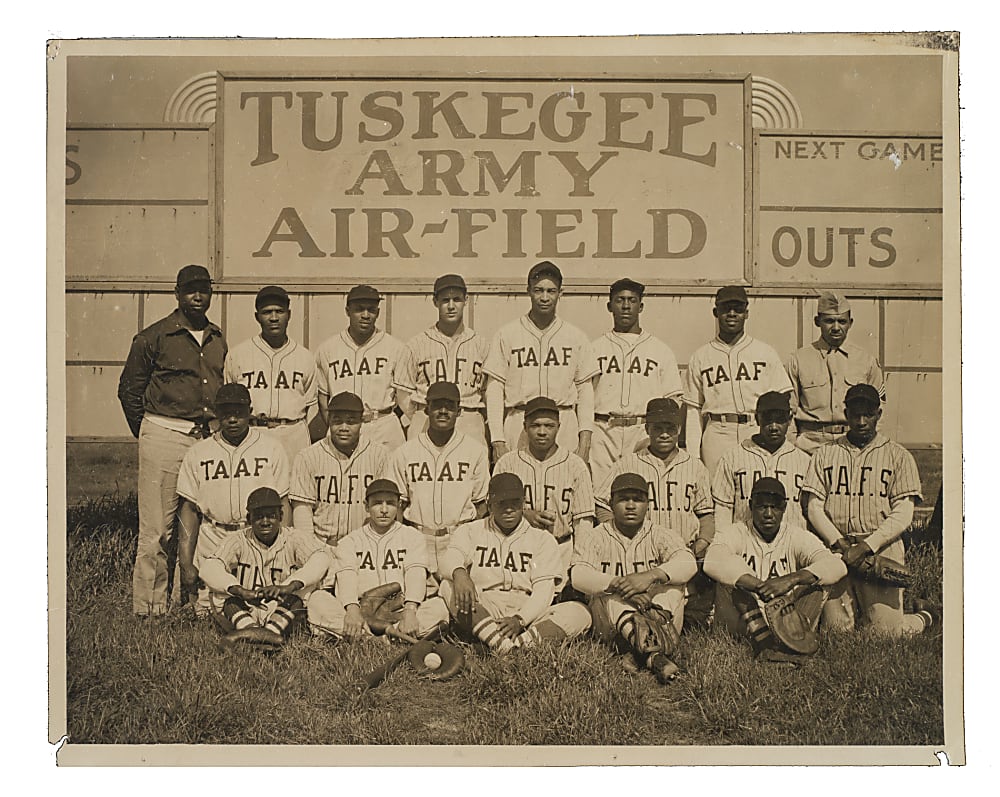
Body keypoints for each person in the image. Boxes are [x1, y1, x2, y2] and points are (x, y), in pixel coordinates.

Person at [117, 264, 227, 617]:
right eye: (191, 289)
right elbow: (129, 391)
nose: (198, 296)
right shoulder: (153, 337)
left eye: (204, 290)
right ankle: (150, 609)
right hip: (163, 432)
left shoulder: (216, 337)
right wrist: (150, 432)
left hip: (204, 437)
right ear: (177, 294)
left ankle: (192, 603)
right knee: (157, 529)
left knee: (198, 522)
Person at [801, 384, 937, 635]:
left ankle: (924, 615)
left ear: (878, 414)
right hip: (837, 550)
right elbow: (814, 507)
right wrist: (841, 544)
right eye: (855, 414)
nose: (861, 421)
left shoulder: (898, 455)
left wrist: (866, 547)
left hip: (880, 551)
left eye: (868, 414)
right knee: (835, 631)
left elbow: (903, 513)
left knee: (886, 633)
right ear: (846, 413)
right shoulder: (825, 454)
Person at [438, 473, 592, 652]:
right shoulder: (471, 530)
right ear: (489, 504)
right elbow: (450, 557)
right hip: (485, 606)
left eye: (514, 502)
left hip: (527, 607)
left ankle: (502, 644)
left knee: (580, 612)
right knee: (448, 585)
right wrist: (460, 573)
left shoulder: (542, 539)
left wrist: (520, 619)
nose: (509, 509)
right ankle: (509, 647)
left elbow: (544, 591)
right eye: (501, 503)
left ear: (523, 503)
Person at [595, 398, 716, 627]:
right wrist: (620, 539)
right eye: (657, 427)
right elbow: (602, 504)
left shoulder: (695, 465)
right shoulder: (628, 463)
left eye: (670, 428)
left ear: (679, 429)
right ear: (647, 429)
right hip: (640, 554)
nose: (664, 434)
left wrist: (700, 544)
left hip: (683, 554)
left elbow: (706, 514)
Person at [176, 383, 291, 617]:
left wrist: (284, 549)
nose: (232, 419)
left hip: (255, 538)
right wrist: (186, 563)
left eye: (238, 412)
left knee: (262, 608)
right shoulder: (199, 452)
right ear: (217, 414)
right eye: (226, 413)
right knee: (206, 612)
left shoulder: (271, 448)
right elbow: (189, 509)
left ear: (249, 411)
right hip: (213, 536)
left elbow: (283, 502)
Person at [570, 472, 698, 682]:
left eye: (637, 500)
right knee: (609, 596)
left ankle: (639, 652)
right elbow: (578, 575)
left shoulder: (660, 534)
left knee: (674, 587)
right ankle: (655, 655)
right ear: (611, 504)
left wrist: (651, 575)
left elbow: (689, 562)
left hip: (654, 612)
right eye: (623, 499)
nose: (630, 505)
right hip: (611, 623)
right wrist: (620, 586)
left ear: (648, 504)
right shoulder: (594, 536)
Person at [703, 478, 848, 662]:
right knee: (729, 583)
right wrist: (758, 585)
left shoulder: (797, 535)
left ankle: (793, 642)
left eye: (775, 507)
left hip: (784, 620)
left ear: (785, 508)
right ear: (750, 506)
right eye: (762, 507)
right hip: (744, 618)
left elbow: (837, 565)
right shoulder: (736, 532)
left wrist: (792, 579)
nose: (769, 514)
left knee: (817, 583)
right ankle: (768, 646)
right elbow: (712, 560)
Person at [483, 261, 599, 461]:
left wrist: (585, 437)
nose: (544, 297)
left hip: (563, 421)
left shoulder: (575, 336)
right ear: (528, 291)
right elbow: (494, 389)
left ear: (560, 293)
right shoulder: (507, 334)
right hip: (519, 419)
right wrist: (497, 440)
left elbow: (585, 390)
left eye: (551, 291)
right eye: (538, 290)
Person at [307, 479, 450, 640]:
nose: (384, 509)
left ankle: (370, 638)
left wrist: (410, 610)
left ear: (399, 506)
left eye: (390, 503)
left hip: (399, 610)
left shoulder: (412, 537)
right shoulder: (350, 541)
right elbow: (346, 577)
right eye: (377, 503)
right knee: (317, 599)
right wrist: (352, 610)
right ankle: (384, 637)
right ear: (367, 506)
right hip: (361, 611)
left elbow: (415, 573)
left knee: (439, 607)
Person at [200, 487, 332, 649]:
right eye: (258, 517)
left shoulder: (294, 537)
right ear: (249, 519)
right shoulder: (238, 539)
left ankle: (254, 635)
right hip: (246, 606)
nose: (265, 522)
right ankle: (264, 635)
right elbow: (210, 567)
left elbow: (321, 558)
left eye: (271, 516)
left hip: (281, 608)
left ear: (281, 517)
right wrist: (239, 590)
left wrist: (289, 586)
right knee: (221, 591)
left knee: (304, 590)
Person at [684, 285, 794, 476]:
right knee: (715, 490)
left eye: (738, 309)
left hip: (754, 429)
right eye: (726, 308)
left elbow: (783, 399)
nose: (732, 314)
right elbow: (693, 411)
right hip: (717, 431)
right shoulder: (701, 356)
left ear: (747, 313)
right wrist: (693, 456)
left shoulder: (764, 352)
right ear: (715, 312)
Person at [385, 381, 490, 579]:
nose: (443, 411)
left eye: (450, 406)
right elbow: (398, 504)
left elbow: (481, 506)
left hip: (458, 538)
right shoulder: (405, 452)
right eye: (437, 406)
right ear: (426, 409)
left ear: (459, 411)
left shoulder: (475, 451)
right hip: (418, 537)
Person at [493, 396, 596, 592]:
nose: (542, 432)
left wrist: (580, 561)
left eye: (549, 426)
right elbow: (492, 513)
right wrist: (524, 514)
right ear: (524, 427)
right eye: (535, 425)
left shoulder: (575, 465)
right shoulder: (507, 463)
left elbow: (583, 522)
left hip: (562, 548)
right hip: (518, 551)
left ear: (559, 426)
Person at [589, 277, 684, 487]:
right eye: (619, 300)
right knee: (600, 491)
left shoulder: (660, 350)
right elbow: (584, 398)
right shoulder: (595, 348)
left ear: (640, 306)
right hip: (603, 430)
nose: (625, 306)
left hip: (642, 431)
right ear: (609, 306)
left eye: (631, 300)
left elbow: (674, 399)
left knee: (639, 490)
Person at [223, 285, 319, 460]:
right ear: (257, 317)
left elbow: (312, 409)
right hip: (253, 432)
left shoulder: (305, 357)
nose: (274, 318)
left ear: (289, 315)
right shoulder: (238, 355)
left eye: (279, 311)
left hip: (292, 435)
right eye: (267, 312)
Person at [394, 273, 490, 446]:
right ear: (435, 302)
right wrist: (419, 415)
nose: (451, 306)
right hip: (426, 418)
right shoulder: (416, 344)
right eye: (445, 300)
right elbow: (403, 394)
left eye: (457, 299)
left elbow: (488, 392)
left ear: (466, 300)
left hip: (469, 418)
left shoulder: (481, 345)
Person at [787, 291, 885, 454]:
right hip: (810, 445)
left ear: (850, 323)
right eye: (829, 321)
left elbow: (879, 408)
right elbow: (789, 409)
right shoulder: (798, 359)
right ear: (817, 322)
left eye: (842, 321)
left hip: (853, 444)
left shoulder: (866, 361)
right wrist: (793, 447)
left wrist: (870, 445)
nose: (836, 327)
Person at [289, 391, 390, 548]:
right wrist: (309, 549)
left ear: (362, 421)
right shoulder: (307, 456)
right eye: (337, 421)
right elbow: (303, 512)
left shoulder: (380, 455)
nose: (344, 428)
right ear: (328, 420)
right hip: (322, 545)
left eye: (351, 422)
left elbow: (387, 508)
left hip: (365, 547)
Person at [313, 284, 405, 449]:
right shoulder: (327, 349)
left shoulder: (395, 348)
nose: (365, 315)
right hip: (344, 428)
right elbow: (323, 400)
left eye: (371, 310)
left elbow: (405, 401)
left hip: (383, 425)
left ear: (378, 312)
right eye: (359, 309)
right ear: (347, 311)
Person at [712, 391, 811, 530]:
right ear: (757, 419)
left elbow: (811, 512)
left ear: (789, 420)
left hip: (791, 545)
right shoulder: (732, 457)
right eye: (768, 420)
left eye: (780, 419)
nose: (774, 427)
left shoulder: (804, 461)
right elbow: (723, 509)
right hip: (744, 542)